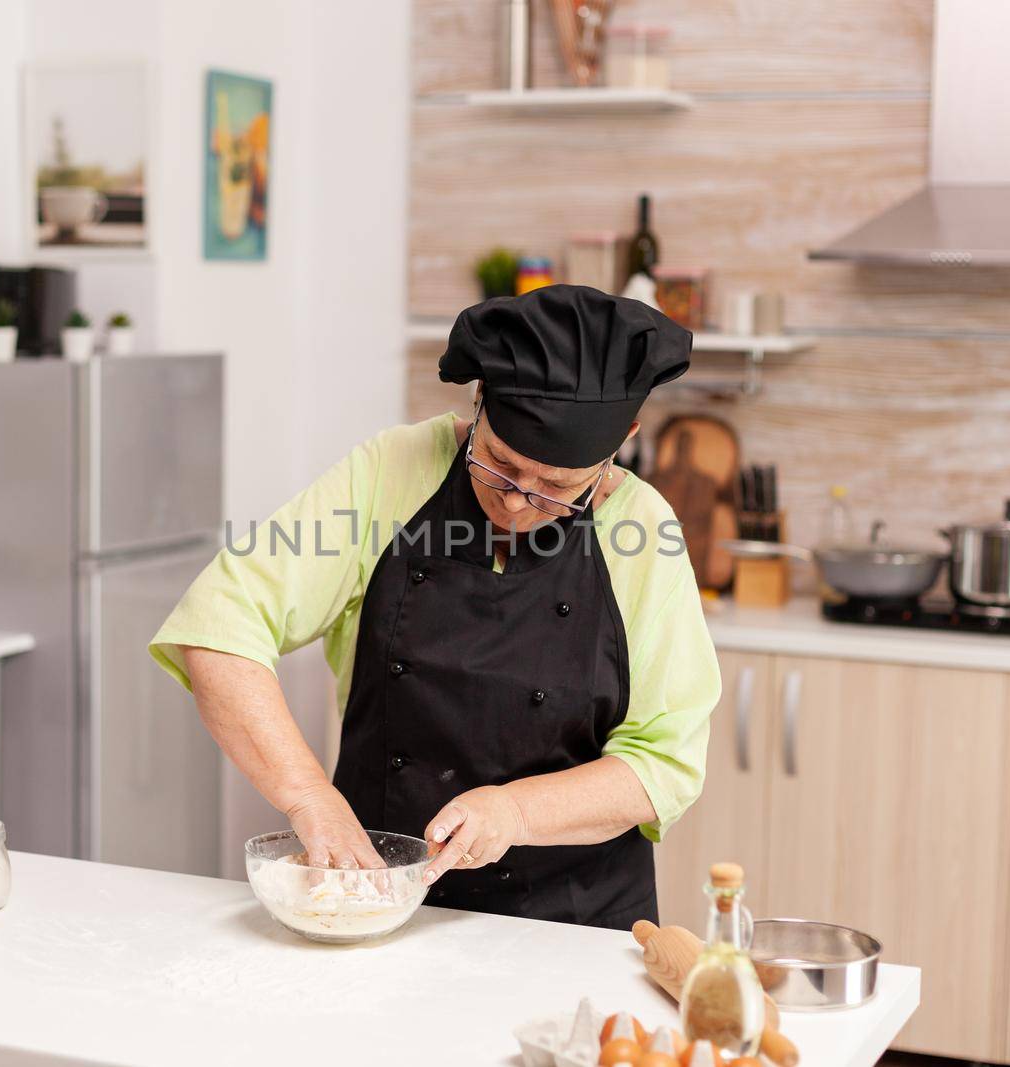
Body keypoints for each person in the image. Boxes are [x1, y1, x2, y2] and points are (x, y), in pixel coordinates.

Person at [150, 284, 722, 930]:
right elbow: (219, 626)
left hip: (573, 931)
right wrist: (309, 795)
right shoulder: (391, 473)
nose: (515, 503)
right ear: (478, 405)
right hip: (382, 907)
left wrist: (517, 812)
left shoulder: (644, 531)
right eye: (500, 468)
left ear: (623, 441)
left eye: (555, 492)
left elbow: (663, 764)